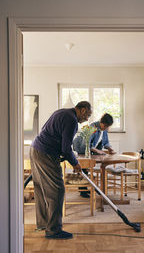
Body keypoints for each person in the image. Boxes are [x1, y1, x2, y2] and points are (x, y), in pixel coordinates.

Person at [30, 101, 92, 239]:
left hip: (36, 149)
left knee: (41, 188)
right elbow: (66, 148)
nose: (86, 119)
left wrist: (64, 155)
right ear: (82, 110)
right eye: (87, 115)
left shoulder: (62, 112)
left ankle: (43, 224)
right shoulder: (72, 120)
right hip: (46, 154)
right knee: (57, 190)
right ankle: (53, 230)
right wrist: (75, 163)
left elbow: (47, 131)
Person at [73, 113, 115, 197]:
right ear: (102, 123)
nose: (107, 128)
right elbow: (86, 143)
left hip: (89, 149)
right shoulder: (92, 127)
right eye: (106, 126)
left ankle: (89, 188)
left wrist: (110, 149)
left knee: (88, 167)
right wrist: (98, 151)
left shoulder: (104, 130)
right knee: (84, 167)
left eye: (108, 126)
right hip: (81, 147)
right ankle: (83, 191)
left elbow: (106, 142)